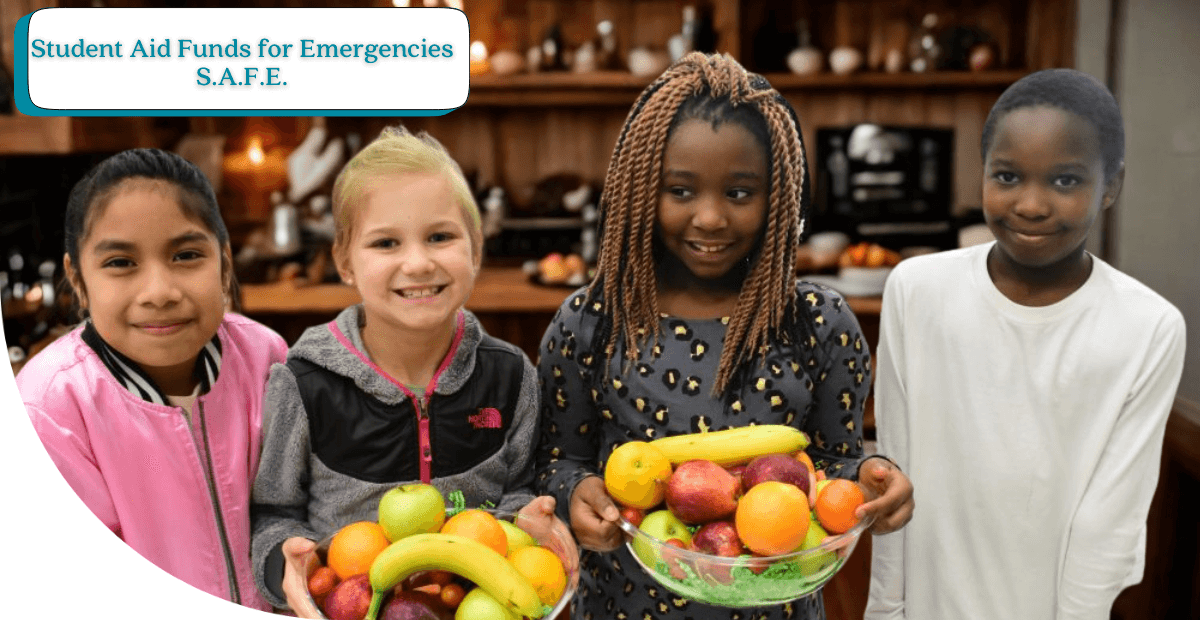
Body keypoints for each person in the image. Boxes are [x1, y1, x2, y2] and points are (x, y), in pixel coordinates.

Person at [534, 52, 915, 620]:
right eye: (681, 191)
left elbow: (834, 462)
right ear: (640, 191)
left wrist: (869, 481)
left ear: (780, 197)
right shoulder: (591, 322)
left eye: (739, 194)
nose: (710, 218)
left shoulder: (818, 322)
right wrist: (574, 495)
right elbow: (559, 457)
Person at [865, 68, 1187, 620]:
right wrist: (884, 611)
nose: (1031, 205)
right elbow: (895, 481)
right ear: (982, 172)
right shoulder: (916, 291)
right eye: (1008, 176)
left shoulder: (1148, 328)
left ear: (1111, 185)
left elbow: (1106, 528)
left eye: (1065, 181)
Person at [250, 126, 555, 616]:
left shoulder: (512, 375)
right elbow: (275, 513)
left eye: (440, 236)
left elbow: (518, 489)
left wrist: (532, 518)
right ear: (344, 262)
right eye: (386, 243)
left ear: (475, 248)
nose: (417, 263)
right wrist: (283, 563)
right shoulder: (303, 384)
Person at [18, 148, 288, 611]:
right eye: (120, 263)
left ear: (224, 264)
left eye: (186, 255)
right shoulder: (50, 408)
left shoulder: (266, 356)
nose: (160, 292)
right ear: (77, 280)